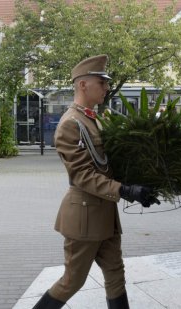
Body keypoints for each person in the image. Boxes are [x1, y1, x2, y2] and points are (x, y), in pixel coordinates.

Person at [33, 55, 159, 309]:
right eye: (101, 82)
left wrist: (139, 180)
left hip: (104, 212)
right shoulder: (71, 124)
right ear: (82, 85)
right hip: (85, 216)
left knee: (115, 273)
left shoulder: (93, 119)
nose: (107, 87)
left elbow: (107, 164)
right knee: (73, 280)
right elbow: (83, 175)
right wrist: (124, 190)